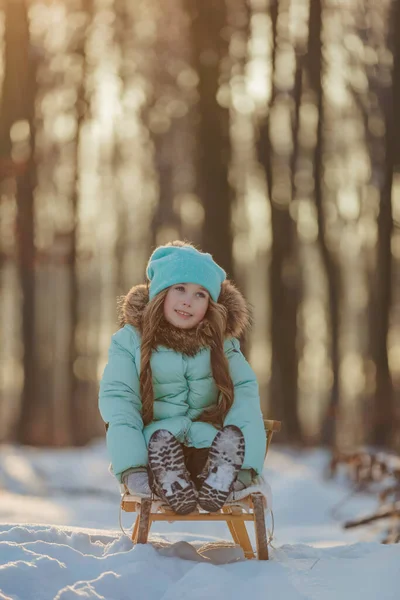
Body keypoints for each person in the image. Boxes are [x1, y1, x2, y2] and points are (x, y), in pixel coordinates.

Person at [98, 241, 266, 514]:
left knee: (216, 452)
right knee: (161, 452)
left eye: (201, 294)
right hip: (155, 446)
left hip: (208, 445)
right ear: (161, 292)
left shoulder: (221, 345)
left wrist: (244, 469)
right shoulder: (130, 341)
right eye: (180, 289)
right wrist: (132, 468)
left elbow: (244, 399)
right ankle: (167, 480)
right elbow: (120, 401)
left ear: (210, 304)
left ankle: (218, 477)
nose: (188, 300)